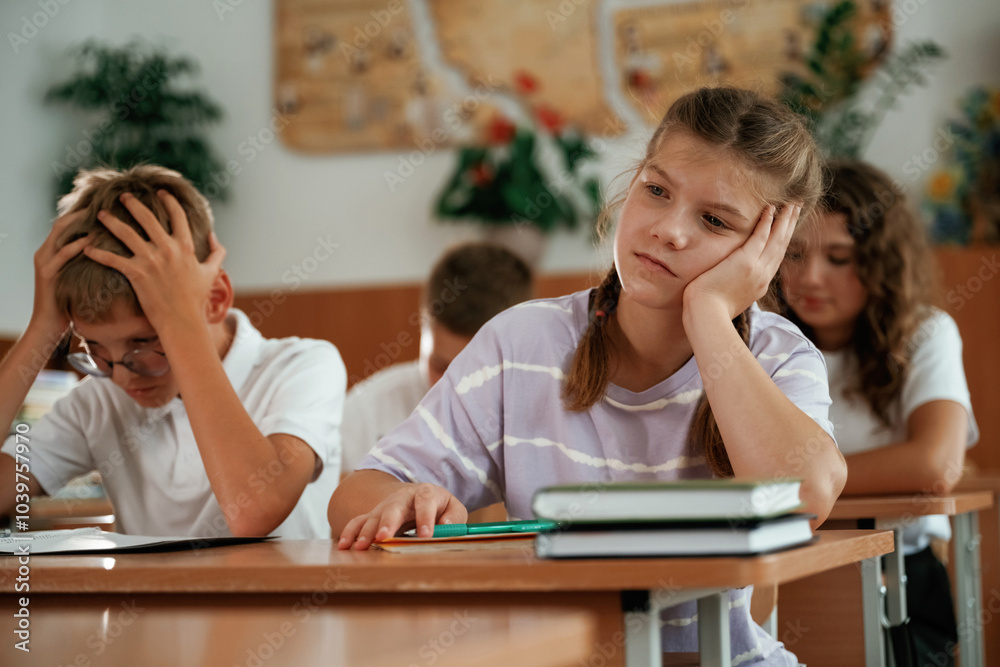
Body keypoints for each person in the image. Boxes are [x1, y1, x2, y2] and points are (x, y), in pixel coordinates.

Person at [330, 86, 847, 665]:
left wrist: (707, 315)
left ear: (766, 251)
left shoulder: (778, 356)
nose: (669, 230)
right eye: (656, 191)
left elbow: (804, 494)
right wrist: (402, 496)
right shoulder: (521, 343)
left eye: (714, 220)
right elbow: (357, 492)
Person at [0, 165, 346, 539]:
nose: (121, 376)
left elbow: (253, 512)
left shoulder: (303, 366)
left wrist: (179, 325)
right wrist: (41, 329)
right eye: (94, 348)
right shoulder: (98, 400)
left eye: (145, 342)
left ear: (214, 299)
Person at [778, 161, 977, 666]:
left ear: (880, 260)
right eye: (793, 254)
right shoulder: (763, 343)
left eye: (839, 257)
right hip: (784, 568)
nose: (810, 277)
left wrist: (799, 483)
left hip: (900, 575)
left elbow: (935, 465)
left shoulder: (925, 333)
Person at [340, 242, 532, 474]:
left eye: (477, 373)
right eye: (440, 366)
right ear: (422, 328)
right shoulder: (364, 414)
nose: (455, 390)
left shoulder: (548, 414)